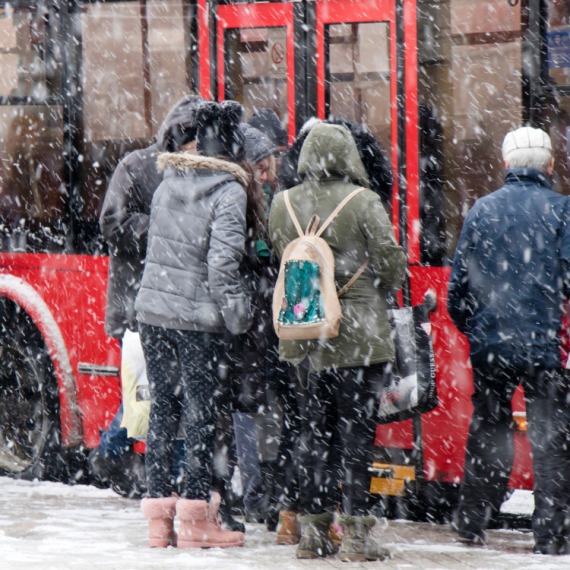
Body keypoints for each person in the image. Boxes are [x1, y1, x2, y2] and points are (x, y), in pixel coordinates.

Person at [268, 122, 407, 561]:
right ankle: (356, 537)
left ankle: (312, 533)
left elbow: (283, 257)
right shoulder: (364, 202)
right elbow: (391, 265)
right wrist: (368, 291)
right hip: (359, 338)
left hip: (305, 337)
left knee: (313, 435)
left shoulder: (281, 203)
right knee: (357, 439)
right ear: (349, 156)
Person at [135, 100, 254, 549]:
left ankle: (158, 522)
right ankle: (195, 519)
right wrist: (239, 317)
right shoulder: (229, 190)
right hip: (196, 320)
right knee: (202, 413)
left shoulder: (168, 182)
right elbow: (223, 266)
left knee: (164, 409)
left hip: (153, 313)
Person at [447, 126, 570, 555]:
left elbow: (456, 292)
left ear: (506, 164)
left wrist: (480, 330)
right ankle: (552, 535)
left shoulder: (482, 210)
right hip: (545, 348)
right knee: (550, 440)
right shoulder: (563, 211)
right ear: (551, 166)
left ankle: (472, 521)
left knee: (487, 431)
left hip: (491, 348)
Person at [93, 95, 203, 494]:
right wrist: (165, 229)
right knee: (154, 391)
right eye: (190, 139)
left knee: (162, 392)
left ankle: (127, 457)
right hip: (137, 304)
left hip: (177, 304)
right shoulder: (138, 165)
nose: (195, 147)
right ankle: (116, 452)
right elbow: (111, 222)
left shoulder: (198, 172)